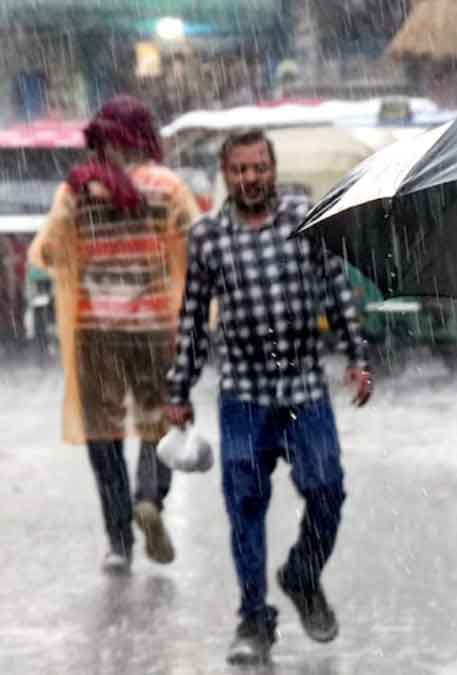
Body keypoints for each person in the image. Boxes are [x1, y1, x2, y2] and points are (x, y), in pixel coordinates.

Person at [163, 128, 372, 665]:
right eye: (240, 170)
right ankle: (254, 618)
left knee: (327, 489)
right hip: (244, 391)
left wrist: (357, 358)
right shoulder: (208, 236)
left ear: (272, 169)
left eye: (259, 168)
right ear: (226, 175)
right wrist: (178, 389)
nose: (251, 179)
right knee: (246, 506)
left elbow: (335, 288)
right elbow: (191, 316)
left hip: (303, 382)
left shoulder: (304, 219)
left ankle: (302, 574)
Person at [28, 95, 199, 573]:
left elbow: (46, 251)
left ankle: (119, 541)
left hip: (95, 330)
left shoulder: (77, 190)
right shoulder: (168, 186)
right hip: (153, 327)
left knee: (103, 434)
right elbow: (196, 243)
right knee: (158, 421)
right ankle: (149, 497)